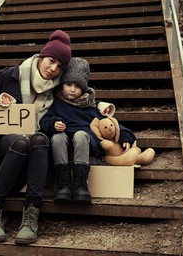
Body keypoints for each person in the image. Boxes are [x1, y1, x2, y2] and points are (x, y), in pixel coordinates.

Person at [0, 30, 71, 245]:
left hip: (35, 150)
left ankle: (31, 214)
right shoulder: (8, 76)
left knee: (39, 140)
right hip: (2, 143)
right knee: (20, 141)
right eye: (51, 61)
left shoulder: (58, 92)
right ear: (41, 57)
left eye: (60, 67)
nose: (53, 68)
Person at [40, 57, 136, 204]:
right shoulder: (56, 103)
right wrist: (53, 124)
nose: (72, 89)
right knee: (58, 137)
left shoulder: (89, 106)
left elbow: (107, 122)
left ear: (83, 88)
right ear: (62, 84)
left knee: (80, 135)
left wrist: (125, 136)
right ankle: (63, 184)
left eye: (77, 86)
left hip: (84, 143)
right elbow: (44, 121)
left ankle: (80, 184)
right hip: (63, 144)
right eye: (68, 84)